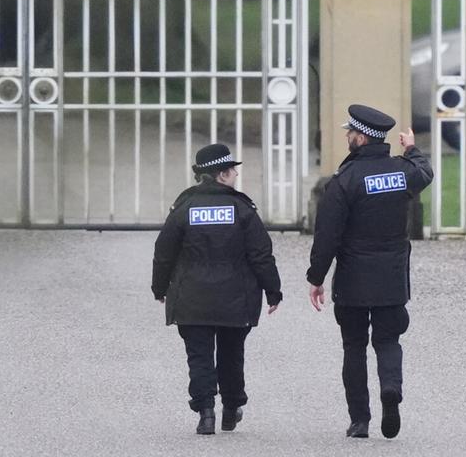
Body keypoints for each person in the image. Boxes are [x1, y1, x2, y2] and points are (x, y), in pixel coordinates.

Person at [307, 104, 435, 440]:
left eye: (350, 132)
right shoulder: (401, 172)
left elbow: (327, 237)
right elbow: (425, 172)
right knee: (388, 340)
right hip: (391, 277)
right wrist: (411, 148)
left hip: (353, 280)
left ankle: (359, 420)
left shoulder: (344, 181)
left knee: (353, 346)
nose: (347, 136)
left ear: (361, 138)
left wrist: (316, 277)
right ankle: (390, 389)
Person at [151, 142, 283, 436]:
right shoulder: (242, 208)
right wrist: (273, 291)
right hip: (235, 298)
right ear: (222, 174)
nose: (236, 175)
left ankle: (206, 411)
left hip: (191, 298)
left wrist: (159, 288)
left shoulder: (184, 207)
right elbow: (261, 254)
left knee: (198, 356)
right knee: (231, 354)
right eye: (233, 171)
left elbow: (164, 252)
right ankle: (232, 408)